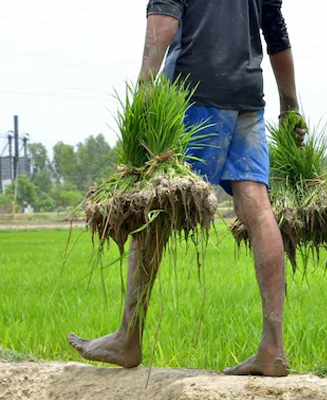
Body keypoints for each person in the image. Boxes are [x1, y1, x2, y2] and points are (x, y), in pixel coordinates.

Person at [67, 0, 306, 377]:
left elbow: (163, 21)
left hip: (194, 93)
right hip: (248, 96)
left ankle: (129, 336)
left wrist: (145, 89)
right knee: (258, 208)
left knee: (155, 206)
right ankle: (273, 347)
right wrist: (290, 105)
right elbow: (275, 31)